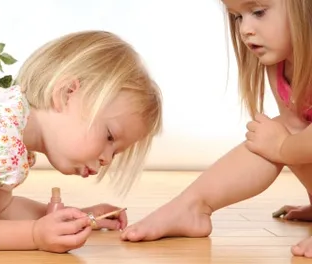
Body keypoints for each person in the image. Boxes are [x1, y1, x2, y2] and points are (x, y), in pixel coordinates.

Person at [0, 30, 163, 263]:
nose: (107, 158)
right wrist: (34, 235)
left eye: (115, 151)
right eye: (109, 136)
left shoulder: (9, 128)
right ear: (66, 93)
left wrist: (72, 219)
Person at [120, 0, 312, 258]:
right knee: (277, 132)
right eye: (236, 17)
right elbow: (297, 131)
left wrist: (281, 146)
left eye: (258, 12)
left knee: (280, 140)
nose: (245, 29)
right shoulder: (280, 64)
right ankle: (192, 205)